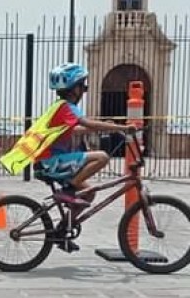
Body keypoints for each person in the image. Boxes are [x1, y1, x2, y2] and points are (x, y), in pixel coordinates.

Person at [31, 63, 132, 207]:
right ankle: (70, 188)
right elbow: (89, 124)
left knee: (89, 192)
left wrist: (108, 126)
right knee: (102, 157)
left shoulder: (60, 107)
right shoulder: (67, 107)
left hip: (49, 162)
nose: (84, 91)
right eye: (82, 87)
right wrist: (123, 127)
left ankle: (64, 226)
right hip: (52, 162)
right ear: (74, 89)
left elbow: (75, 130)